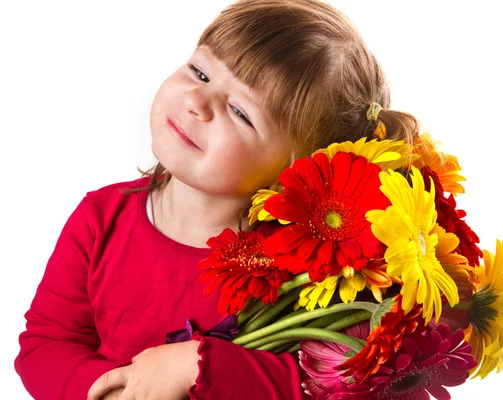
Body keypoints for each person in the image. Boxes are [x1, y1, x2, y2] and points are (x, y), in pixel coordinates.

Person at [14, 0, 421, 399]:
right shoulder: (100, 217)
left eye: (240, 112)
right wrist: (117, 393)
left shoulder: (308, 271)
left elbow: (330, 381)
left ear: (296, 174)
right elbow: (44, 345)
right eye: (200, 71)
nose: (196, 101)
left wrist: (196, 365)